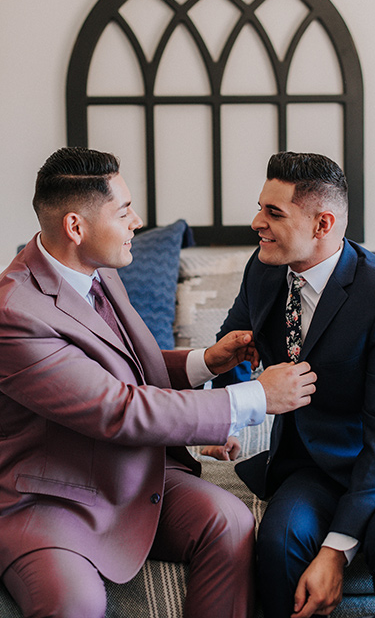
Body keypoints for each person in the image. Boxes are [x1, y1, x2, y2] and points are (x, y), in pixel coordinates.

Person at [0, 147, 317, 618]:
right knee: (75, 603)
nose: (137, 221)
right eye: (124, 211)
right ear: (75, 226)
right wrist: (256, 397)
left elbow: (118, 368)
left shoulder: (100, 269)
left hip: (134, 472)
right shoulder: (14, 315)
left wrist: (206, 361)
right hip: (53, 498)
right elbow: (118, 408)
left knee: (230, 521)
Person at [213, 151, 375, 618]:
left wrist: (335, 551)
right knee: (278, 540)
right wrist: (222, 417)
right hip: (313, 458)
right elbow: (235, 342)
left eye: (274, 213)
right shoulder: (264, 270)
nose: (256, 223)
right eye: (260, 207)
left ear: (322, 223)